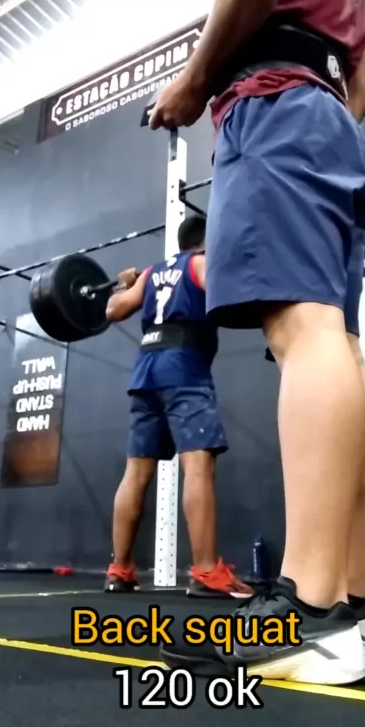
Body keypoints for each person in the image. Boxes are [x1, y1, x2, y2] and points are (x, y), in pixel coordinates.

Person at [149, 0, 365, 684]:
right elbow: (360, 92)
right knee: (341, 349)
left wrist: (195, 80)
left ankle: (311, 615)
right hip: (326, 122)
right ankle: (360, 603)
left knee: (305, 334)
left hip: (276, 110)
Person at [104, 214, 252, 599]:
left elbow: (112, 310)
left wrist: (124, 285)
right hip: (183, 365)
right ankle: (206, 572)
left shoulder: (152, 273)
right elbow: (235, 293)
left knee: (136, 472)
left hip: (145, 369)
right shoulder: (202, 264)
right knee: (198, 466)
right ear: (207, 240)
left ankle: (119, 570)